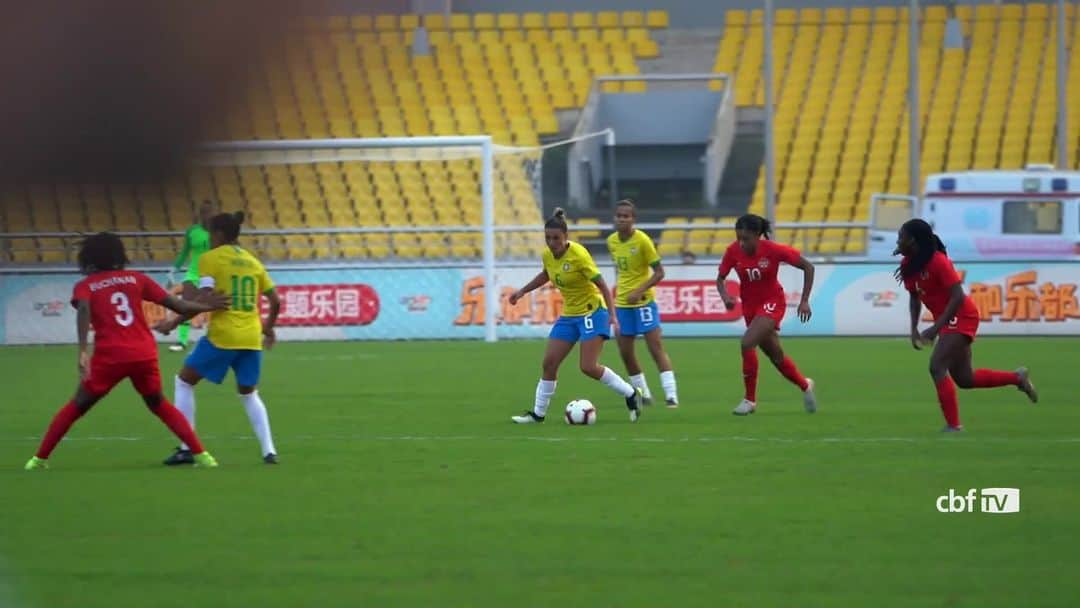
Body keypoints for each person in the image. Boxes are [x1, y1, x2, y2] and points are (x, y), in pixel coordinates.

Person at [25, 233, 227, 470]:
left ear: (90, 258)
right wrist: (207, 306)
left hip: (111, 356)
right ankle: (203, 456)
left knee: (78, 405)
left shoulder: (86, 285)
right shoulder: (136, 279)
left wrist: (82, 350)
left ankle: (39, 459)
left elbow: (83, 310)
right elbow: (179, 305)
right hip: (143, 353)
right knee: (159, 404)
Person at [156, 211, 283, 463]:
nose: (208, 238)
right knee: (248, 393)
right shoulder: (252, 261)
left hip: (224, 336)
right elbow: (275, 300)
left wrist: (172, 322)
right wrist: (267, 328)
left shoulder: (210, 259)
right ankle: (269, 451)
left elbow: (205, 300)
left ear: (220, 234)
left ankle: (186, 448)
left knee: (184, 381)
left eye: (211, 233)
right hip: (250, 337)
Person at [895, 219, 1037, 431]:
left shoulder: (938, 262)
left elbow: (958, 297)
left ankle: (953, 427)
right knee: (965, 379)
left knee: (936, 366)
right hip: (948, 321)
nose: (898, 241)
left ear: (913, 241)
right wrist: (913, 329)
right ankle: (1017, 378)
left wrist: (935, 328)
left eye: (901, 237)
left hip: (962, 315)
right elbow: (914, 298)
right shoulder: (909, 265)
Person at [509, 208, 644, 423]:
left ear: (566, 238)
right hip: (570, 315)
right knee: (549, 363)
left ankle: (629, 393)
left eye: (556, 238)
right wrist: (522, 291)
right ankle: (537, 415)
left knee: (588, 367)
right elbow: (546, 274)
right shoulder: (548, 255)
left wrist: (612, 315)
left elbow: (602, 284)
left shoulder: (579, 255)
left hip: (593, 312)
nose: (552, 243)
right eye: (548, 238)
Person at [717, 214, 817, 415]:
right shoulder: (732, 251)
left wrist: (804, 300)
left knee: (747, 343)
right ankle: (805, 385)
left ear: (757, 235)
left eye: (745, 238)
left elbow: (808, 266)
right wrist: (726, 296)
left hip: (772, 303)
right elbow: (720, 279)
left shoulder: (773, 250)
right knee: (776, 356)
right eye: (738, 238)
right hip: (750, 309)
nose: (741, 243)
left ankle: (749, 401)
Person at [606, 200, 679, 407]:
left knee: (655, 348)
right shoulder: (611, 241)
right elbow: (620, 270)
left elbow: (659, 272)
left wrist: (639, 291)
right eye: (618, 215)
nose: (621, 219)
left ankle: (671, 395)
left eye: (626, 216)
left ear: (633, 219)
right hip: (622, 305)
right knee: (626, 352)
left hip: (644, 303)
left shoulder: (643, 241)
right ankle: (644, 394)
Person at [168, 200, 215, 352]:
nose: (207, 216)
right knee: (186, 304)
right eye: (204, 213)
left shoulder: (218, 232)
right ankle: (182, 341)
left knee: (214, 306)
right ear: (200, 215)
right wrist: (174, 269)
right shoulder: (192, 231)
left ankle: (212, 338)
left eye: (209, 213)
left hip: (214, 273)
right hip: (194, 274)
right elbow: (184, 252)